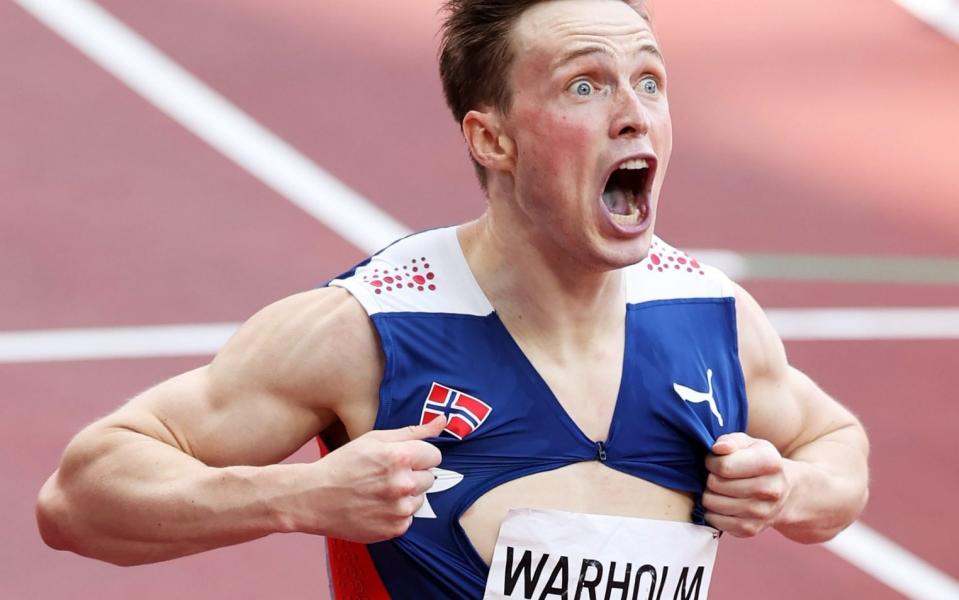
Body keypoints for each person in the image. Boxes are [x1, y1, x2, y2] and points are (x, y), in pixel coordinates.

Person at [36, 0, 870, 598]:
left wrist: (790, 491)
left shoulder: (708, 320)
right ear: (491, 137)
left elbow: (836, 445)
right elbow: (79, 500)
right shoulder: (373, 329)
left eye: (648, 82)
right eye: (585, 87)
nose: (633, 116)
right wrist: (295, 499)